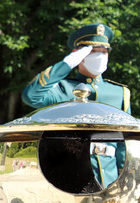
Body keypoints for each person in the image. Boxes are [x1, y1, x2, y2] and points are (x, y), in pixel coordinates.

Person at [22, 23, 130, 188]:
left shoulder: (119, 93)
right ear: (79, 55)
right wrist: (66, 64)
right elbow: (31, 96)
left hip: (108, 177)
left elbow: (125, 142)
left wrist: (125, 179)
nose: (100, 56)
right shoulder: (63, 89)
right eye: (93, 51)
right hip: (68, 173)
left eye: (104, 51)